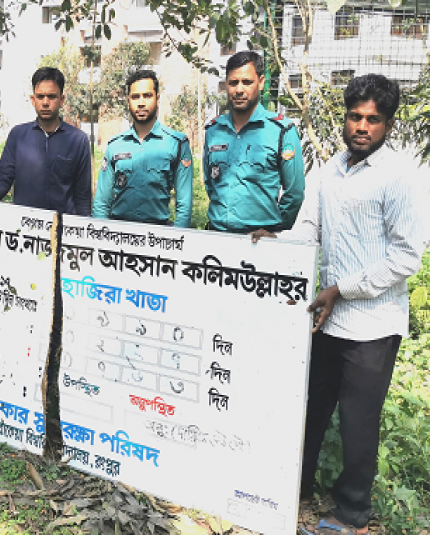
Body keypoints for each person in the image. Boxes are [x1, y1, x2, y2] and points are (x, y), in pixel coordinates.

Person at [251, 74, 427, 535]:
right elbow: (309, 229)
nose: (362, 127)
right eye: (355, 117)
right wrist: (276, 242)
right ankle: (297, 488)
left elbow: (407, 256)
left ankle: (353, 515)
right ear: (344, 119)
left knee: (357, 422)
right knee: (310, 406)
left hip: (372, 323)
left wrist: (341, 289)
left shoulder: (399, 175)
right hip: (326, 320)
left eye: (373, 120)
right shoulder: (328, 170)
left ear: (387, 125)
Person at [204, 51, 305, 233]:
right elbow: (209, 182)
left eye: (247, 82)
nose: (239, 90)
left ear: (261, 82)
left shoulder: (282, 131)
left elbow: (294, 191)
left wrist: (275, 227)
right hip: (216, 236)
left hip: (259, 240)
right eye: (233, 83)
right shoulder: (213, 130)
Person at [0, 67, 92, 215]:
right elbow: (2, 181)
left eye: (51, 96)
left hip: (62, 230)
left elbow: (83, 198)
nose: (45, 102)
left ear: (62, 100)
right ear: (33, 99)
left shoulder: (78, 140)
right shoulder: (18, 136)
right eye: (40, 96)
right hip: (24, 229)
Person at [92, 69, 193, 227]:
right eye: (135, 97)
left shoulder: (176, 144)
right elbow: (101, 204)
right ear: (128, 100)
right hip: (119, 235)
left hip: (158, 237)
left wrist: (176, 242)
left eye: (147, 96)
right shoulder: (115, 145)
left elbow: (184, 206)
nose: (141, 102)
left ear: (157, 98)